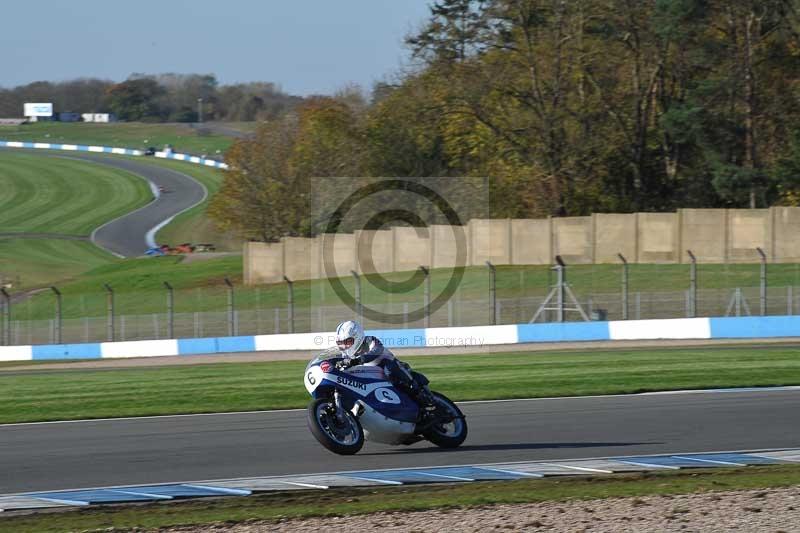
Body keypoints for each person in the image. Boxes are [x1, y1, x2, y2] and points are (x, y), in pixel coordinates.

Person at [334, 320, 434, 411]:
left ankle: (419, 393)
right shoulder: (344, 355)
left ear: (357, 337)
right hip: (371, 379)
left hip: (392, 368)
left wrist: (357, 360)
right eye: (341, 343)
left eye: (348, 342)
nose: (345, 346)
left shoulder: (370, 341)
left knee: (389, 370)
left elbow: (376, 351)